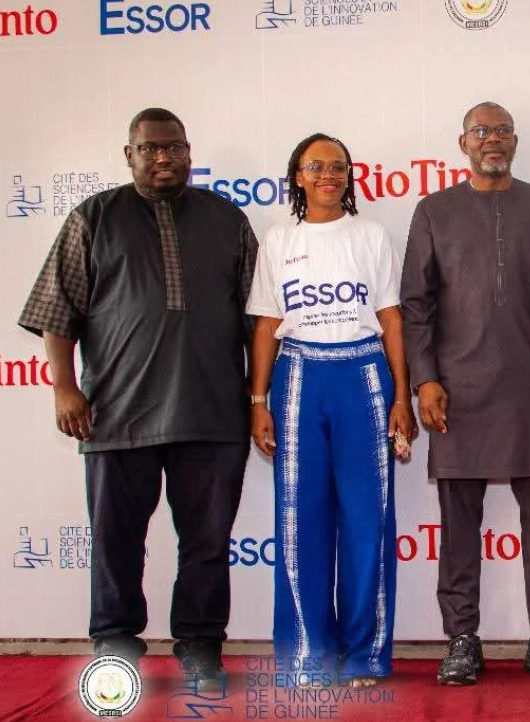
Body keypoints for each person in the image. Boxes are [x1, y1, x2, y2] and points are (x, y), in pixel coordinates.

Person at [18, 108, 257, 688]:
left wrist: (258, 398)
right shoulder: (93, 218)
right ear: (129, 155)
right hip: (117, 414)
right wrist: (65, 388)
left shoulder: (228, 220)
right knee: (116, 541)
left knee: (206, 543)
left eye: (172, 147)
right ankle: (116, 643)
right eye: (149, 149)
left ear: (189, 150)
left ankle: (200, 646)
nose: (162, 157)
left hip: (213, 412)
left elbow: (259, 321)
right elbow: (57, 311)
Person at [400, 102, 530, 686]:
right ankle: (461, 638)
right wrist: (424, 379)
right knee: (457, 527)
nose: (492, 140)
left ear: (516, 141)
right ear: (463, 142)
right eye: (482, 131)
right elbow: (416, 308)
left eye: (502, 131)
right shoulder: (434, 211)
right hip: (457, 391)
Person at [246, 133, 417, 687]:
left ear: (350, 176)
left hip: (364, 376)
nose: (328, 175)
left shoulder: (369, 235)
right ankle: (307, 657)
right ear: (297, 175)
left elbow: (391, 318)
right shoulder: (277, 240)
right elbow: (268, 324)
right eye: (316, 166)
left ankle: (365, 654)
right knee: (300, 523)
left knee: (369, 522)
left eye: (338, 167)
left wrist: (400, 395)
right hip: (298, 380)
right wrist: (258, 401)